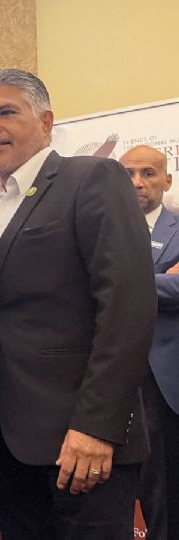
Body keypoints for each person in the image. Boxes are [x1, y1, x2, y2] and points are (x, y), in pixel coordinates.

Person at [0, 68, 157, 539]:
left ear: (46, 121)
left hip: (84, 443)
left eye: (5, 112)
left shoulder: (91, 177)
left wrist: (98, 426)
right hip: (10, 444)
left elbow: (127, 306)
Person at [120, 144, 179, 540]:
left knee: (164, 491)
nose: (137, 183)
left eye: (148, 173)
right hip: (106, 375)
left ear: (167, 180)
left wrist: (114, 284)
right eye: (127, 174)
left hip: (161, 379)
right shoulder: (96, 226)